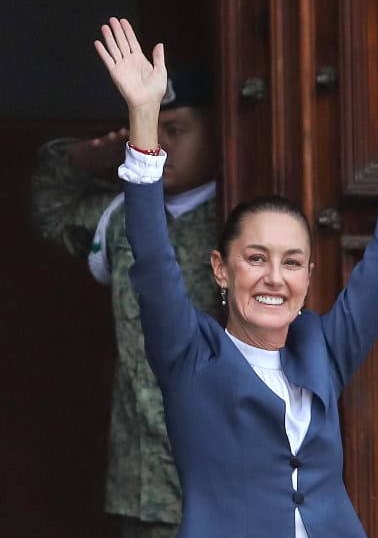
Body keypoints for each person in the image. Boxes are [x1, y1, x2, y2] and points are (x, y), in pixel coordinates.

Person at [93, 17, 378, 537]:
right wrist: (144, 118)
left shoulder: (322, 347)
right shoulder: (189, 354)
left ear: (308, 276)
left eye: (292, 262)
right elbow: (151, 260)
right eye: (256, 258)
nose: (274, 278)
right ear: (221, 269)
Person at [32, 60, 218, 535]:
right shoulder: (120, 216)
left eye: (176, 130)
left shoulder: (241, 221)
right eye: (154, 130)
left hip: (218, 474)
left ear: (216, 132)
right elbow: (52, 212)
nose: (162, 144)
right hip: (141, 479)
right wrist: (89, 157)